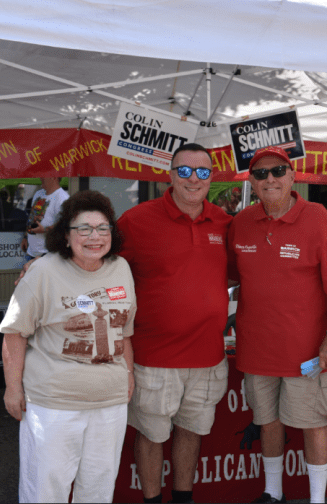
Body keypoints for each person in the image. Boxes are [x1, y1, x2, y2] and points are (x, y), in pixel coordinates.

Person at [227, 146, 327, 504]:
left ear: (292, 176)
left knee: (313, 424)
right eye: (262, 173)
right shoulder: (242, 223)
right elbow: (228, 278)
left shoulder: (316, 217)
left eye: (278, 171)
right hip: (256, 349)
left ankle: (317, 499)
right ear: (252, 181)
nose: (271, 179)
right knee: (267, 422)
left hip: (308, 352)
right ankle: (273, 492)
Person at [0, 190, 137, 503]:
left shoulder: (122, 269)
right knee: (46, 490)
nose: (94, 236)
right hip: (54, 405)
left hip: (109, 402)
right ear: (65, 235)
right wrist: (13, 389)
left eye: (103, 228)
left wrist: (128, 374)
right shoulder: (43, 272)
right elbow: (15, 333)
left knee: (99, 488)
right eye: (83, 229)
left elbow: (124, 331)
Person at [118, 142, 233, 504]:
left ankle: (183, 498)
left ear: (211, 177)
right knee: (152, 435)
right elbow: (96, 262)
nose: (193, 179)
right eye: (184, 171)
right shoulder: (137, 221)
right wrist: (45, 264)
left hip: (208, 357)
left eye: (201, 172)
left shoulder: (225, 223)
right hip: (154, 357)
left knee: (191, 432)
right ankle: (152, 499)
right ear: (170, 175)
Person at [20, 177, 70, 260]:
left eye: (44, 176)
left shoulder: (63, 198)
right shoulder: (38, 193)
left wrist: (44, 230)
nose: (41, 178)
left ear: (54, 177)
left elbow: (65, 224)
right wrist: (25, 237)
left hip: (49, 254)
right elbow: (32, 217)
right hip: (31, 252)